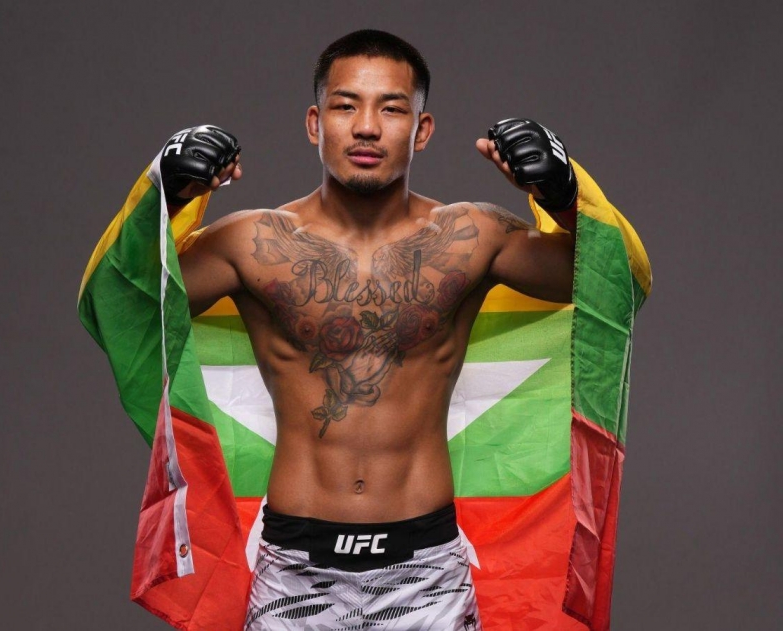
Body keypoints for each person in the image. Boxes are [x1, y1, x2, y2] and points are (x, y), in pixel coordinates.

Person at [156, 30, 582, 630]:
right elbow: (128, 307)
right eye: (345, 105)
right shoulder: (252, 243)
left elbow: (608, 286)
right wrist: (166, 196)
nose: (366, 127)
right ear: (315, 123)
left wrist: (565, 194)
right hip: (294, 571)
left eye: (391, 109)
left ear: (421, 130)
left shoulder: (470, 238)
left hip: (426, 574)